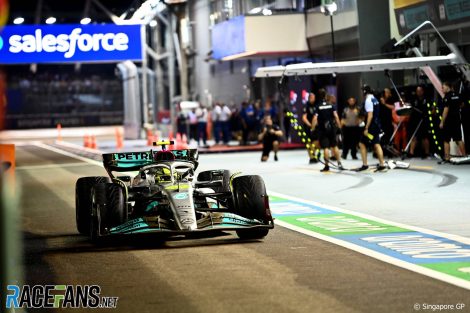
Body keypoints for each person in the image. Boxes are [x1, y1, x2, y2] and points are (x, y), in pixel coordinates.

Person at [311, 89, 344, 172]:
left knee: (326, 147)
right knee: (334, 146)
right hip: (332, 129)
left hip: (323, 130)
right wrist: (339, 128)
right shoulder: (331, 105)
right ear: (325, 96)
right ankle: (339, 163)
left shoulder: (318, 106)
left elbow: (315, 118)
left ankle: (327, 166)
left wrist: (312, 129)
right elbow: (336, 116)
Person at [358, 85, 386, 171]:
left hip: (371, 127)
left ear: (365, 92)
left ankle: (365, 164)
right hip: (377, 125)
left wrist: (366, 128)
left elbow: (370, 115)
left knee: (362, 143)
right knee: (376, 144)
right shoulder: (375, 99)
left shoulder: (368, 100)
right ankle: (382, 164)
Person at [439, 81, 466, 162]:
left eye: (443, 87)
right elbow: (462, 104)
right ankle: (464, 156)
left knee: (446, 140)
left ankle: (447, 157)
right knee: (458, 139)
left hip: (448, 121)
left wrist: (442, 122)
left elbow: (446, 110)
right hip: (457, 120)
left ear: (448, 87)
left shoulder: (447, 97)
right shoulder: (458, 95)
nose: (442, 89)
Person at [409, 86, 430, 158]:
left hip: (424, 120)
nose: (419, 92)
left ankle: (427, 153)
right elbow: (410, 108)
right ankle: (411, 153)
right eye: (417, 91)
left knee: (425, 137)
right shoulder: (414, 100)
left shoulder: (426, 99)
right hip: (415, 121)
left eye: (420, 91)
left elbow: (432, 108)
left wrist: (428, 114)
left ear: (423, 91)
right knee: (414, 137)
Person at [302, 92, 320, 164]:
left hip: (316, 127)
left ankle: (316, 154)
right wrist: (310, 125)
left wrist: (315, 125)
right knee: (309, 142)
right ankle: (312, 158)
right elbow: (304, 117)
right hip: (308, 127)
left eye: (313, 97)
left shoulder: (317, 105)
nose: (312, 98)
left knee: (316, 142)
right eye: (311, 97)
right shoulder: (306, 106)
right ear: (309, 98)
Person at [379, 88, 395, 155]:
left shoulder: (391, 99)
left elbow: (393, 107)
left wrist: (384, 103)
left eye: (388, 92)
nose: (386, 93)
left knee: (389, 136)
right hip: (381, 121)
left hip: (389, 120)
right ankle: (382, 151)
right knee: (382, 137)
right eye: (385, 92)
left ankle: (389, 152)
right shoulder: (380, 99)